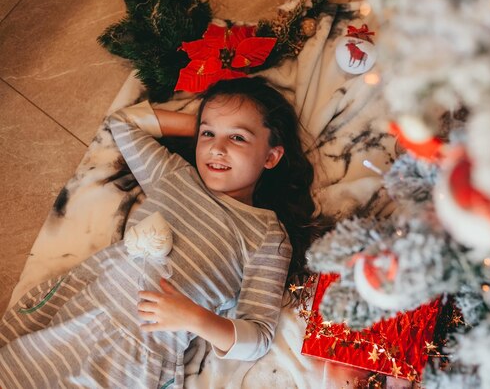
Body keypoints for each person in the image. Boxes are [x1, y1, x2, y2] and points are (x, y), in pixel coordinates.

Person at [0, 77, 318, 388]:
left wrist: (195, 318)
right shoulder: (175, 175)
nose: (216, 148)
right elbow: (123, 122)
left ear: (271, 156)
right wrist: (200, 123)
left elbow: (258, 337)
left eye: (237, 137)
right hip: (83, 309)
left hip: (137, 355)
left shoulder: (266, 235)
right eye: (208, 133)